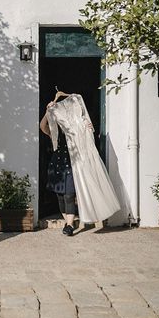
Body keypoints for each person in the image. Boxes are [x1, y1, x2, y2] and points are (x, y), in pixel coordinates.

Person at [40, 98, 91, 236]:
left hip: (71, 166)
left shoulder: (76, 129)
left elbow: (88, 137)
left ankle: (69, 225)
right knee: (60, 196)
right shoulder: (55, 131)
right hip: (57, 165)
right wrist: (47, 111)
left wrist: (88, 128)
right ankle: (68, 222)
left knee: (69, 195)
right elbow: (42, 126)